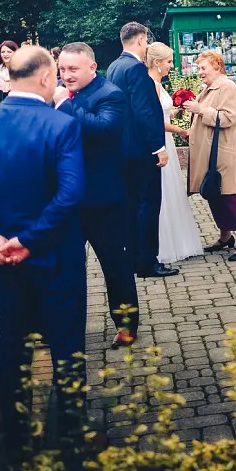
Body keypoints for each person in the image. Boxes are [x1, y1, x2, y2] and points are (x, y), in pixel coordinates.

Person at [0, 46, 88, 453]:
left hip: (1, 259)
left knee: (13, 342)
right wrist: (29, 240)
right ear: (45, 77)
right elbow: (71, 192)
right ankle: (71, 435)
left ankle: (16, 435)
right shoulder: (61, 126)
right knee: (66, 345)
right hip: (55, 257)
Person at [55, 42, 142, 348]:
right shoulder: (63, 94)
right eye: (62, 69)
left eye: (73, 69)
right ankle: (65, 327)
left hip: (104, 200)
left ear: (92, 67)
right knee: (66, 268)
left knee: (115, 266)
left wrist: (65, 105)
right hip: (68, 201)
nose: (66, 75)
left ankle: (127, 325)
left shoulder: (110, 94)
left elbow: (104, 129)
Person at [106, 23, 177, 279]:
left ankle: (134, 257)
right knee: (148, 205)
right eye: (146, 40)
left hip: (123, 150)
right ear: (140, 39)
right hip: (141, 150)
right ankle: (148, 261)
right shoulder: (136, 68)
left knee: (132, 205)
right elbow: (144, 111)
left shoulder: (114, 66)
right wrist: (158, 147)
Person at [184, 50, 236, 262]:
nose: (200, 72)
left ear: (217, 66)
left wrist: (200, 109)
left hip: (224, 153)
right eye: (199, 68)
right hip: (211, 155)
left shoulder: (227, 87)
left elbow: (228, 118)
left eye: (203, 68)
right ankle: (225, 237)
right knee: (214, 195)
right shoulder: (209, 88)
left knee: (232, 197)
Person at [143, 43, 204, 265]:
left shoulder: (157, 83)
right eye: (168, 61)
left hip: (165, 140)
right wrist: (180, 130)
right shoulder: (152, 85)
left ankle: (174, 240)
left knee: (170, 190)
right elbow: (155, 120)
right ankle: (166, 244)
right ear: (157, 63)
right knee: (164, 192)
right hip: (162, 141)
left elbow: (162, 112)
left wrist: (176, 109)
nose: (171, 65)